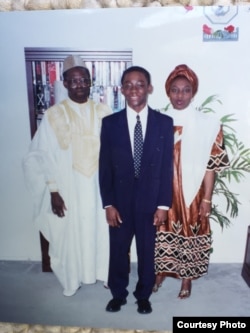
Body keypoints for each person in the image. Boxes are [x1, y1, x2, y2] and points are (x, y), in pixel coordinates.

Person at [23, 55, 112, 296]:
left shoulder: (104, 111)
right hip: (68, 186)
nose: (79, 85)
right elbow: (41, 155)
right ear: (64, 83)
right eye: (73, 81)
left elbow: (116, 151)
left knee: (101, 230)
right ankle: (73, 280)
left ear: (90, 82)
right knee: (69, 233)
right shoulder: (54, 114)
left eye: (84, 80)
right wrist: (53, 191)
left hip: (98, 186)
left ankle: (104, 273)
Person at [98, 66, 174, 314]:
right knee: (118, 250)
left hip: (150, 202)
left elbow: (166, 168)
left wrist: (163, 205)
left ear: (149, 88)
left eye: (140, 84)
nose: (134, 89)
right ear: (122, 89)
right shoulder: (110, 123)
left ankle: (143, 295)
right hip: (119, 202)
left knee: (147, 251)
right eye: (128, 84)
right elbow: (105, 166)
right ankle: (118, 294)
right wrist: (108, 203)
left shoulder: (164, 123)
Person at [154, 64, 230, 298]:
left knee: (190, 231)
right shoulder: (157, 121)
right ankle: (160, 272)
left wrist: (207, 198)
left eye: (186, 90)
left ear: (193, 92)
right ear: (168, 92)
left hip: (192, 191)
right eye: (175, 90)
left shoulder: (208, 125)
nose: (180, 96)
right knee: (160, 230)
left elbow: (211, 166)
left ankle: (186, 279)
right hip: (162, 191)